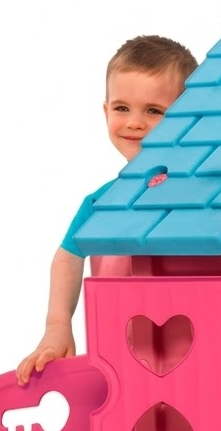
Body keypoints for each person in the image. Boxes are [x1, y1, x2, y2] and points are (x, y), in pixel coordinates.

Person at [15, 35, 198, 384]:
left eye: (154, 111)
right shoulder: (101, 202)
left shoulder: (197, 194)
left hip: (191, 359)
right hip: (117, 361)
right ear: (105, 111)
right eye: (122, 108)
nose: (134, 122)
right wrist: (57, 326)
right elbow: (68, 257)